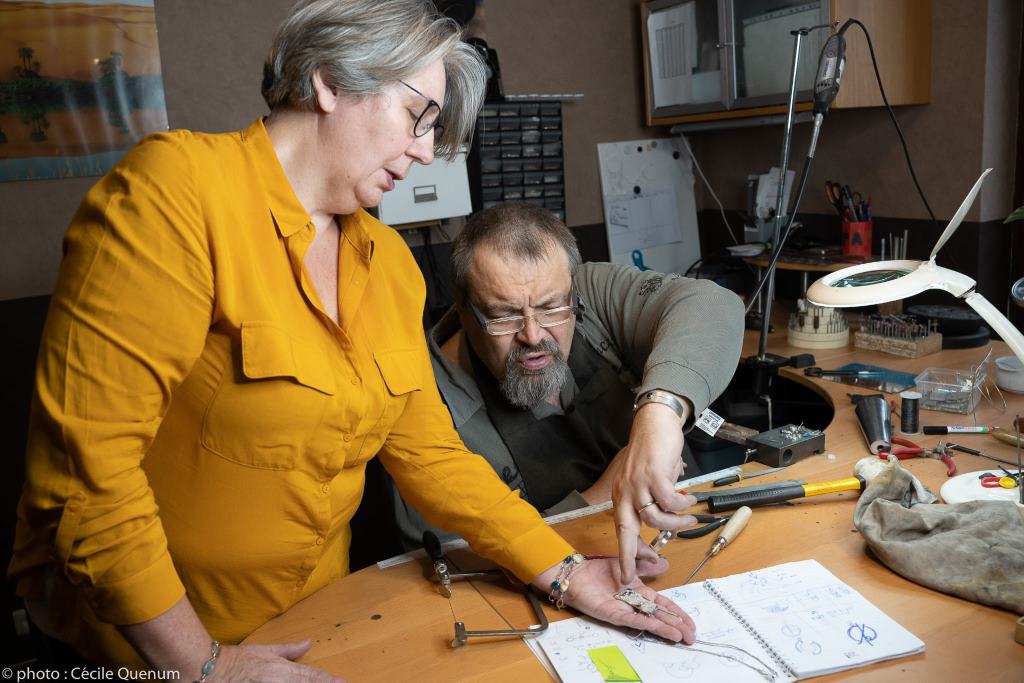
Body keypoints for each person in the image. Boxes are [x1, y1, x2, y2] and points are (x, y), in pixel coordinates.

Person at [8, 2, 696, 680]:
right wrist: (203, 664)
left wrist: (567, 571)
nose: (427, 152)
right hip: (149, 649)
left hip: (312, 627)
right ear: (331, 81)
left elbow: (433, 459)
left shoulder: (388, 263)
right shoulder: (177, 193)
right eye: (417, 117)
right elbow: (85, 482)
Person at [392, 203, 746, 580]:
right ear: (462, 310)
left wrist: (658, 420)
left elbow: (713, 304)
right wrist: (602, 495)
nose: (533, 335)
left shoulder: (589, 293)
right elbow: (450, 560)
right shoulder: (420, 400)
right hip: (555, 587)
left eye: (551, 308)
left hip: (688, 544)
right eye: (504, 315)